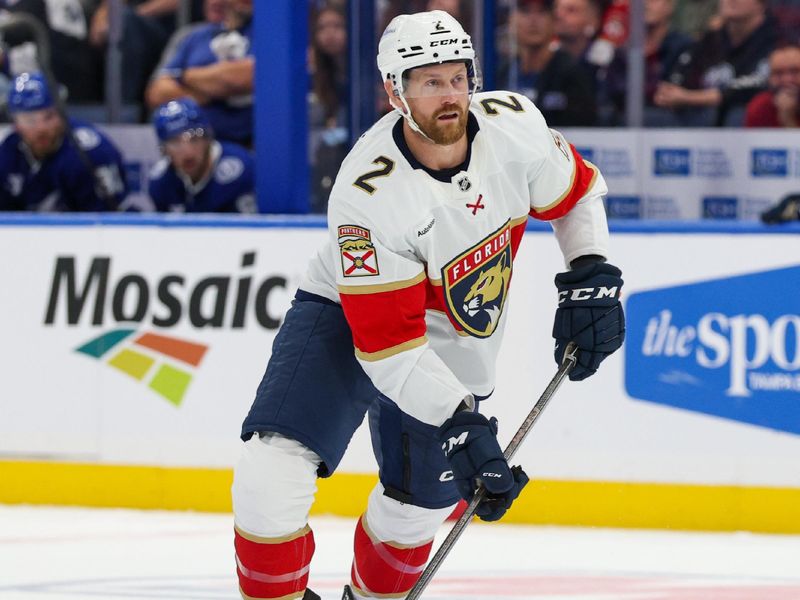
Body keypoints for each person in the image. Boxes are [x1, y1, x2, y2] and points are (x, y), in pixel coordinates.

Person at [232, 10, 625, 600]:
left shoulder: (514, 126)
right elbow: (389, 350)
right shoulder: (367, 192)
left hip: (456, 330)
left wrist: (590, 271)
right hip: (349, 311)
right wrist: (461, 423)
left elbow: (577, 193)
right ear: (395, 92)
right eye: (429, 81)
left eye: (458, 77)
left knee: (416, 511)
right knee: (269, 479)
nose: (450, 95)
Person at [0, 72, 127, 211]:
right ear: (15, 123)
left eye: (49, 116)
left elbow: (109, 221)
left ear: (62, 112)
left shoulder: (90, 154)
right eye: (30, 121)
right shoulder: (8, 151)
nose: (41, 128)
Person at [145, 0, 254, 146]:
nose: (215, 1)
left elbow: (242, 78)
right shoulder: (194, 37)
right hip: (192, 146)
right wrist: (216, 91)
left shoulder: (262, 34)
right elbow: (157, 93)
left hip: (246, 143)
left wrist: (186, 77)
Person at [653, 0, 778, 126]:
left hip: (750, 120)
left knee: (736, 115)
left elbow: (759, 84)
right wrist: (670, 93)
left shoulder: (775, 39)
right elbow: (680, 76)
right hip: (700, 118)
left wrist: (691, 98)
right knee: (653, 117)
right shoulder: (709, 40)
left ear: (761, 4)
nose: (730, 1)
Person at [499, 0, 598, 126]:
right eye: (525, 11)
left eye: (542, 12)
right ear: (511, 20)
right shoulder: (502, 73)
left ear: (554, 20)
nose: (533, 20)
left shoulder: (572, 74)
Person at [148, 97, 255, 213]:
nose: (187, 151)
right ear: (164, 150)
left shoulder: (241, 171)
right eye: (174, 142)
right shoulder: (161, 182)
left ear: (208, 139)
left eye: (194, 138)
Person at [605, 0, 693, 125]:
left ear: (669, 7)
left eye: (653, 0)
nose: (645, 4)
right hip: (623, 121)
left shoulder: (683, 46)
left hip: (669, 122)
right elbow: (612, 91)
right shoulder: (622, 51)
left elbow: (671, 94)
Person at [744, 43, 800, 127]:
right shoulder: (759, 107)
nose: (787, 80)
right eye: (778, 73)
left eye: (794, 71)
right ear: (769, 78)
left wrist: (788, 119)